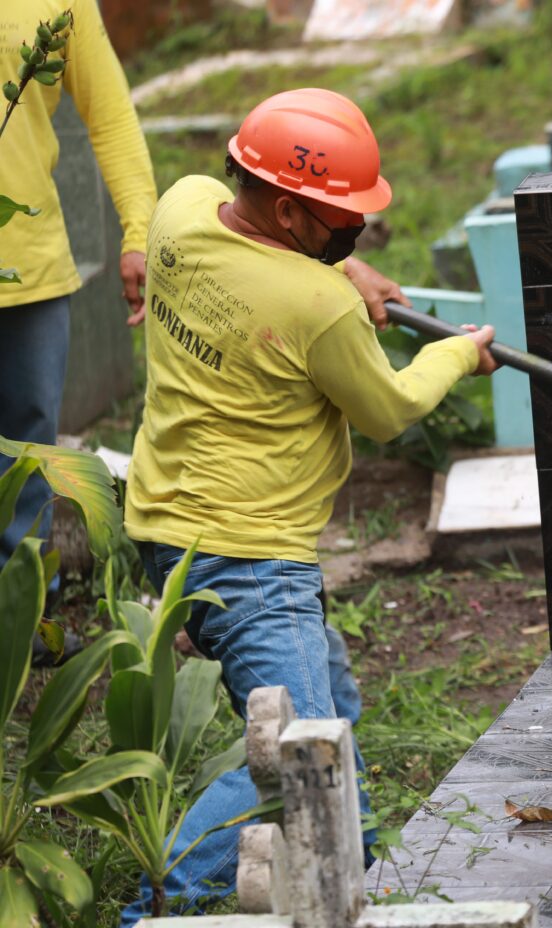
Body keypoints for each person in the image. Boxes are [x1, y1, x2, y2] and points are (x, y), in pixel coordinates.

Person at [119, 87, 497, 923]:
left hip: (164, 518)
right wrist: (459, 357)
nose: (354, 233)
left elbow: (270, 264)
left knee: (326, 697)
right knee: (300, 755)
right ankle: (160, 906)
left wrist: (341, 264)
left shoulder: (181, 209)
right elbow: (389, 409)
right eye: (342, 223)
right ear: (290, 214)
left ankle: (346, 862)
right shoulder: (315, 305)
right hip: (252, 554)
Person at [0, 2, 155, 625]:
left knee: (26, 464)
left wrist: (140, 230)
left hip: (30, 271)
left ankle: (20, 639)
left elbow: (112, 116)